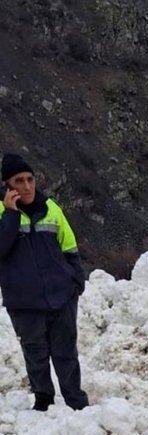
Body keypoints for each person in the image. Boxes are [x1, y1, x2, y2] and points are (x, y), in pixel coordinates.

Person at [0, 153, 89, 411]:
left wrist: (76, 282)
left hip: (61, 295)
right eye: (19, 181)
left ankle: (76, 402)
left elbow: (69, 247)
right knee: (35, 354)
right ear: (8, 186)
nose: (27, 186)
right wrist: (10, 214)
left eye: (30, 179)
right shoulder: (2, 214)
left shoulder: (52, 209)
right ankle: (44, 402)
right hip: (24, 302)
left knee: (66, 354)